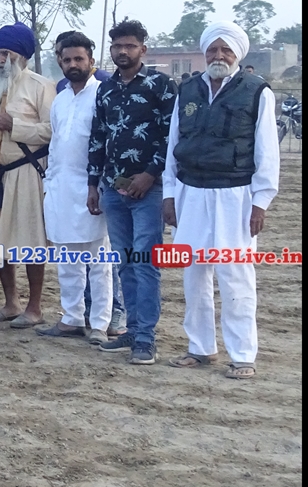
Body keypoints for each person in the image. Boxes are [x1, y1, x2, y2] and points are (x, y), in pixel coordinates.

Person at [164, 22, 278, 379]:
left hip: (235, 195)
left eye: (226, 50)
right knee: (194, 274)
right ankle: (200, 348)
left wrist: (260, 202)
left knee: (235, 275)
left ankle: (242, 355)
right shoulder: (188, 90)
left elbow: (267, 151)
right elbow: (173, 145)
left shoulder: (257, 91)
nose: (218, 56)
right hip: (190, 191)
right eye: (212, 49)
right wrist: (169, 195)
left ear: (237, 54)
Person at [87, 19, 176, 365]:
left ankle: (146, 339)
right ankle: (132, 329)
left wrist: (150, 175)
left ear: (143, 49)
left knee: (145, 262)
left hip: (148, 190)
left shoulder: (161, 85)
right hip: (113, 188)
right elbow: (98, 137)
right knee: (124, 262)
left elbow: (171, 136)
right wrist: (93, 184)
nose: (122, 51)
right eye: (117, 46)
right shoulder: (106, 89)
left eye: (129, 46)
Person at [0, 22, 55, 328]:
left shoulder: (42, 87)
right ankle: (11, 303)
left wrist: (15, 126)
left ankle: (34, 307)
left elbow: (51, 131)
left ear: (22, 55)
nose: (1, 60)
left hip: (27, 173)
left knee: (30, 240)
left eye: (6, 53)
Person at [35, 32, 113, 345]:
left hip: (93, 189)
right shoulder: (61, 99)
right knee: (67, 260)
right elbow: (55, 145)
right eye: (67, 60)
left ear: (91, 61)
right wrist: (50, 184)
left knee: (99, 262)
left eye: (79, 58)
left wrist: (99, 185)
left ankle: (100, 324)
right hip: (60, 188)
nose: (73, 64)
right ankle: (71, 318)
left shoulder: (103, 94)